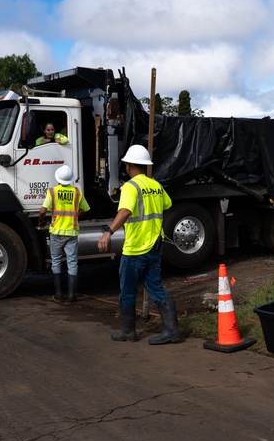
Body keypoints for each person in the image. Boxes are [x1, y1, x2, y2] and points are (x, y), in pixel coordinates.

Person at [98, 144, 180, 344]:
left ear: (128, 166)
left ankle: (128, 332)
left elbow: (124, 211)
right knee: (155, 286)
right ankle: (171, 330)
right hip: (154, 245)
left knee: (127, 289)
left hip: (135, 248)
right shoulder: (155, 185)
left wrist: (108, 233)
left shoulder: (130, 187)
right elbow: (167, 205)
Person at [39, 165, 90, 302]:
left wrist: (41, 221)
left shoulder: (53, 192)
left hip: (56, 231)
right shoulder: (77, 192)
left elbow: (43, 211)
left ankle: (58, 294)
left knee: (56, 262)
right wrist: (75, 216)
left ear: (58, 178)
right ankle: (72, 295)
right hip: (71, 231)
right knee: (72, 262)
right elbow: (85, 209)